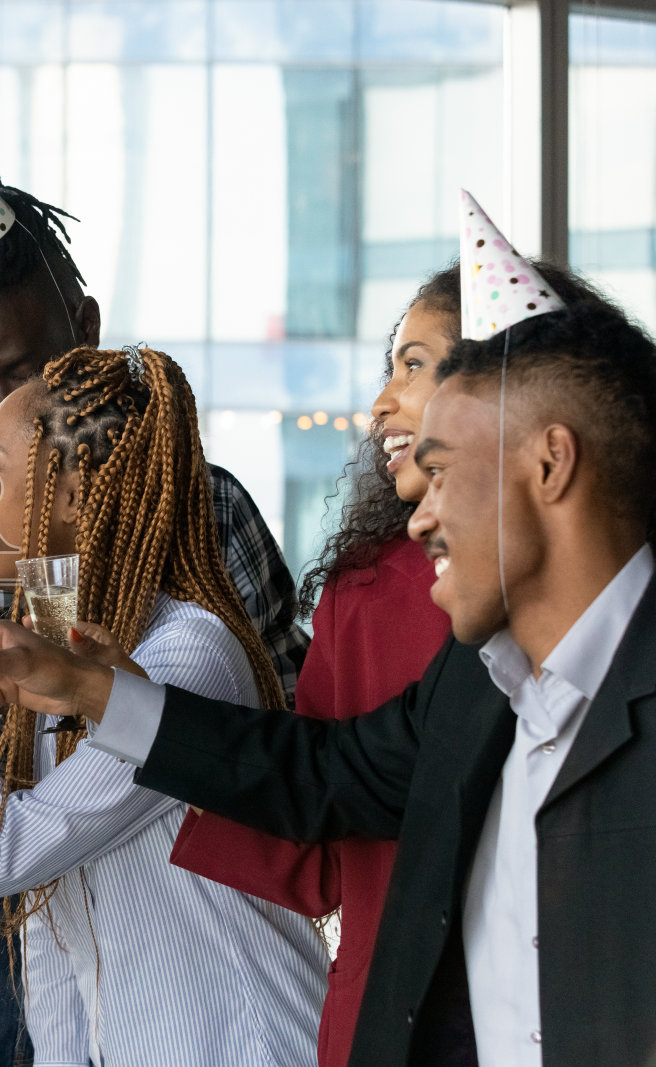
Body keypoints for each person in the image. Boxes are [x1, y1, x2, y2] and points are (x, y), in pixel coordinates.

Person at [0, 251, 656, 1060]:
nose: (420, 518)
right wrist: (92, 688)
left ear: (549, 462)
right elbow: (319, 774)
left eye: (443, 472)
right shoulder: (474, 680)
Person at [0, 128, 309, 1067]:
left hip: (144, 919)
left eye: (19, 382)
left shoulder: (183, 622)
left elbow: (279, 745)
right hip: (3, 902)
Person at [164, 259, 612, 1067]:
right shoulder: (390, 604)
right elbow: (333, 780)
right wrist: (113, 704)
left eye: (414, 363)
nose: (382, 401)